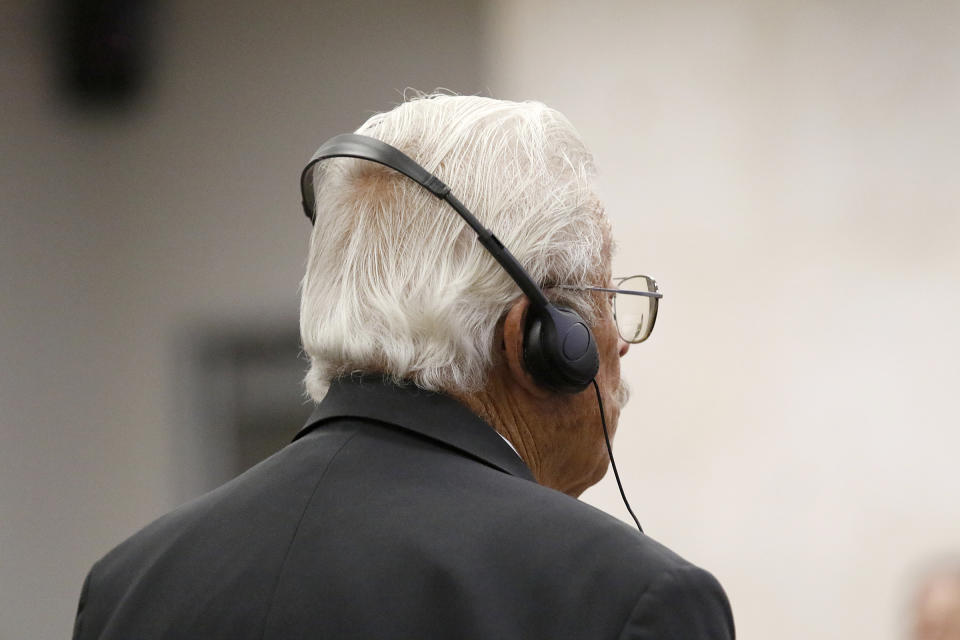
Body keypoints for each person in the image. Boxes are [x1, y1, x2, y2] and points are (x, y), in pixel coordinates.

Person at [72, 94, 735, 639]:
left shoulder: (129, 585)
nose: (618, 343)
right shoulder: (628, 601)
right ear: (535, 338)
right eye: (607, 302)